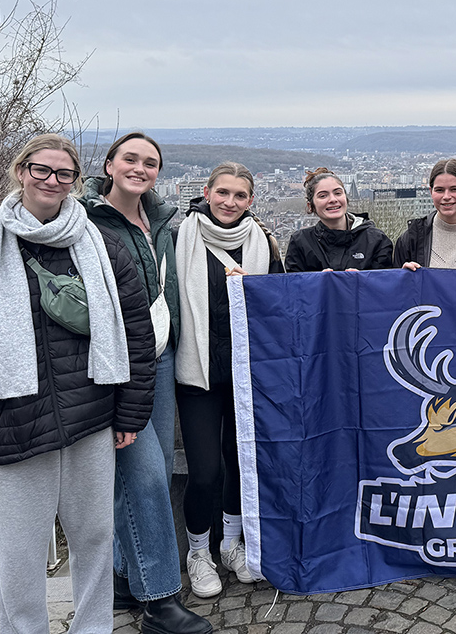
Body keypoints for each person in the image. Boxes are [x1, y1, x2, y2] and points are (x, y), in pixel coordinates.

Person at [0, 134, 155, 634]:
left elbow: (135, 330)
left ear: (75, 179)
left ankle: (93, 627)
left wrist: (131, 413)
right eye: (41, 170)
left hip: (91, 415)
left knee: (94, 536)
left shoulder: (101, 246)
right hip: (12, 420)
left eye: (63, 173)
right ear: (20, 171)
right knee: (20, 548)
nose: (51, 181)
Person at [82, 132, 211, 634]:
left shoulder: (160, 219)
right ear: (109, 164)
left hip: (159, 359)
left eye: (150, 162)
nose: (140, 168)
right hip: (116, 369)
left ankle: (121, 575)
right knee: (148, 479)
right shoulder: (90, 221)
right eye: (130, 159)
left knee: (144, 470)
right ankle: (159, 599)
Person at [175, 162, 283, 597]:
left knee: (241, 465)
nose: (230, 202)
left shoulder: (264, 243)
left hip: (244, 370)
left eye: (240, 196)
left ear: (251, 200)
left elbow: (280, 304)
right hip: (196, 371)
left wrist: (253, 289)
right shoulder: (180, 236)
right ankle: (198, 550)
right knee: (204, 471)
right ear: (207, 191)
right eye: (223, 193)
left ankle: (233, 544)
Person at [285, 168, 394, 272]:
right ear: (311, 206)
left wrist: (362, 281)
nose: (333, 199)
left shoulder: (376, 240)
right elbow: (294, 287)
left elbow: (385, 285)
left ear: (346, 199)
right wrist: (318, 283)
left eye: (337, 193)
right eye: (323, 196)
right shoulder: (301, 242)